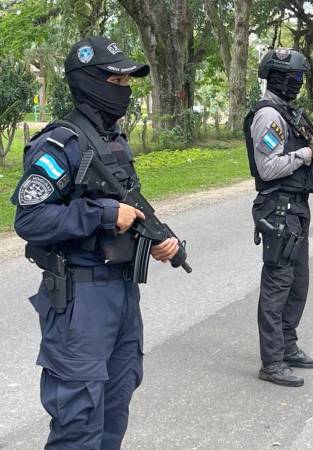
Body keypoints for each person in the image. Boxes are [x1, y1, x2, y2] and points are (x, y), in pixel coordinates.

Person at [11, 36, 179, 449]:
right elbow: (29, 218)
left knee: (114, 412)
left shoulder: (114, 142)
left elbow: (129, 203)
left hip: (121, 295)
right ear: (89, 82)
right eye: (116, 80)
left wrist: (158, 236)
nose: (125, 89)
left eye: (127, 81)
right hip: (79, 303)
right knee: (78, 423)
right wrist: (102, 215)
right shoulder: (60, 145)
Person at [244, 48, 313, 387]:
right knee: (278, 284)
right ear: (281, 77)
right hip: (279, 209)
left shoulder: (287, 113)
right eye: (295, 78)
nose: (299, 83)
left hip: (296, 208)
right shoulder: (269, 116)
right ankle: (271, 362)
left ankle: (287, 346)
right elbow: (269, 168)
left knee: (298, 281)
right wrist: (308, 153)